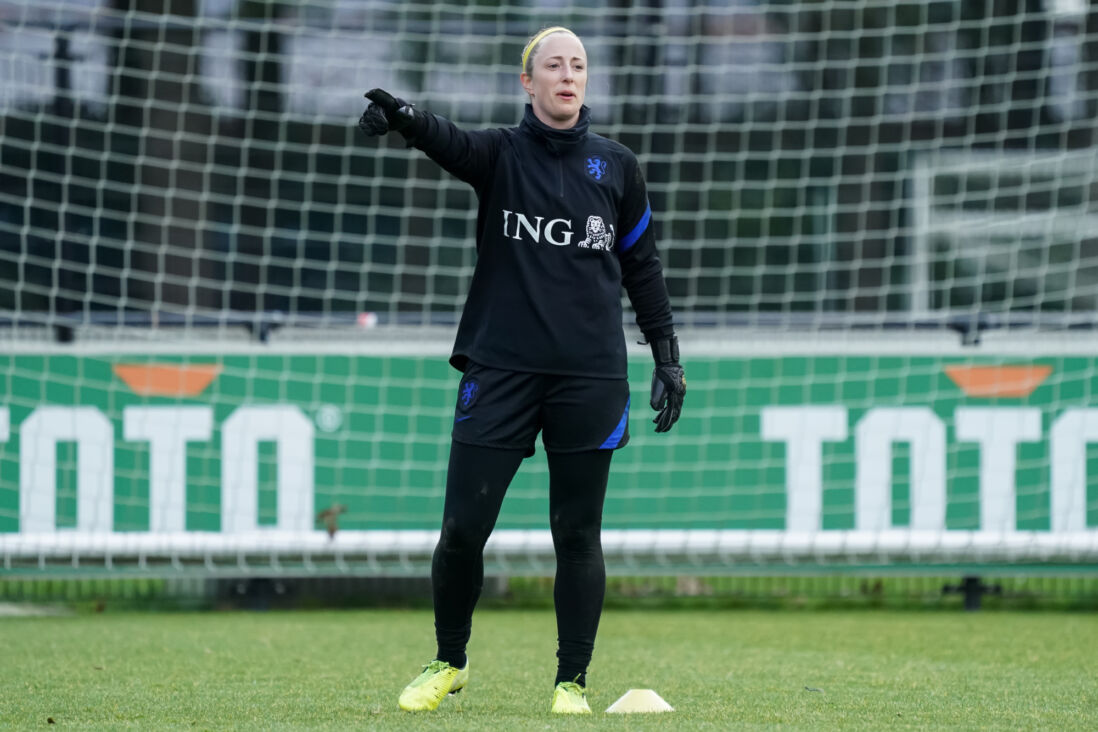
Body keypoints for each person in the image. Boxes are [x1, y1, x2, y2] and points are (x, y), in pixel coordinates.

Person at [358, 25, 686, 715]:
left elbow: (643, 269)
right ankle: (450, 661)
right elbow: (449, 139)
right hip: (500, 370)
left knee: (576, 534)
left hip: (590, 378)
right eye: (554, 66)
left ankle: (572, 682)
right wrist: (405, 118)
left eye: (579, 66)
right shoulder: (503, 155)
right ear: (528, 83)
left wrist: (667, 355)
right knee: (461, 532)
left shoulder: (618, 167)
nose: (568, 75)